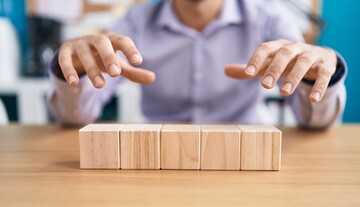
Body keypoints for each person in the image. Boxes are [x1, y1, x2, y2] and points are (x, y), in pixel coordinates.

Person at [48, 0, 346, 128]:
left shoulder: (269, 17)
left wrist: (318, 78)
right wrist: (72, 73)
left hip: (245, 167)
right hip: (158, 166)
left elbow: (314, 121)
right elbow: (75, 116)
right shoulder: (134, 23)